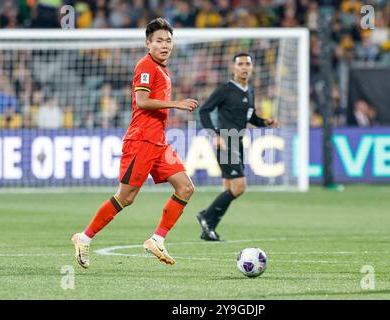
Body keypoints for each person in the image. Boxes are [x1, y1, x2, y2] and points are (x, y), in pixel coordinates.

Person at [72, 18, 198, 268]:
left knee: (185, 188)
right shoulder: (146, 65)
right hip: (141, 140)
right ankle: (84, 237)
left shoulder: (162, 69)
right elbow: (141, 101)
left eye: (169, 40)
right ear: (148, 43)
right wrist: (176, 104)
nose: (165, 45)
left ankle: (157, 239)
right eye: (159, 40)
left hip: (158, 142)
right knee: (126, 197)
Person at [197, 52, 278, 241]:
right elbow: (204, 111)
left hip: (238, 141)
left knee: (228, 187)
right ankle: (206, 217)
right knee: (239, 187)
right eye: (240, 64)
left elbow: (249, 117)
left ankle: (208, 230)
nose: (244, 67)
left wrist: (265, 122)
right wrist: (214, 133)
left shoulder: (249, 91)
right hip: (226, 140)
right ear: (233, 67)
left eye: (247, 64)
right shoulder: (225, 89)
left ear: (252, 67)